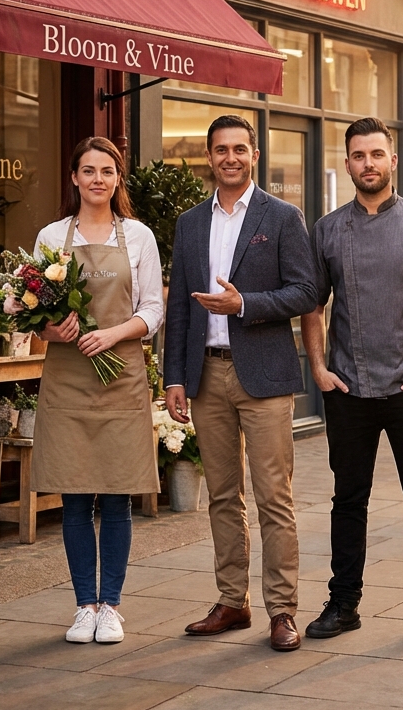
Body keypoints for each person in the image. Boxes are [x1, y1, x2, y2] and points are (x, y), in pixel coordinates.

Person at [300, 117, 403, 645]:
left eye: (377, 154)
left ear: (392, 161)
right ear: (346, 163)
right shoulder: (327, 230)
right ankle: (344, 603)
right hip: (349, 389)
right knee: (348, 501)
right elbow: (312, 305)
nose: (368, 164)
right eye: (358, 156)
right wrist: (320, 370)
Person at [164, 114, 318, 652]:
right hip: (205, 375)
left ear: (254, 154)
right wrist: (174, 379)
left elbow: (307, 292)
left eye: (239, 149)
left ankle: (282, 609)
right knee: (223, 497)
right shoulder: (188, 224)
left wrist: (244, 304)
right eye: (220, 149)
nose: (229, 157)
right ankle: (233, 601)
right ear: (208, 157)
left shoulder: (283, 217)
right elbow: (178, 306)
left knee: (275, 497)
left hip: (266, 375)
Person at [31, 136, 163, 644]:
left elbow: (153, 310)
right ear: (74, 178)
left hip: (121, 377)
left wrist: (112, 333)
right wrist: (52, 331)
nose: (97, 180)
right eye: (88, 170)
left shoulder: (140, 237)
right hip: (67, 381)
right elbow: (30, 307)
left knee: (116, 496)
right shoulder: (50, 237)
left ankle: (112, 605)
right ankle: (83, 604)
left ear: (118, 179)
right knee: (75, 493)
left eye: (107, 171)